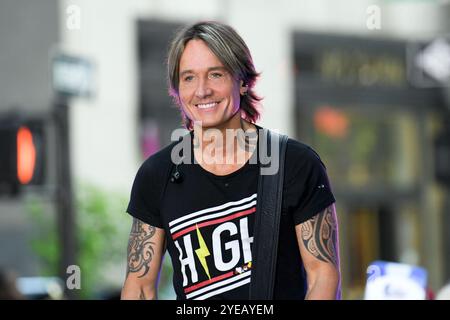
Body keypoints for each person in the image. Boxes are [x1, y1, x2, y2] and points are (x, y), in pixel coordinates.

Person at [121, 21, 341, 300]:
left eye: (215, 75)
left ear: (243, 81)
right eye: (188, 77)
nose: (201, 90)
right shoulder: (158, 174)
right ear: (177, 89)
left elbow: (323, 274)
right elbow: (139, 284)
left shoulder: (295, 164)